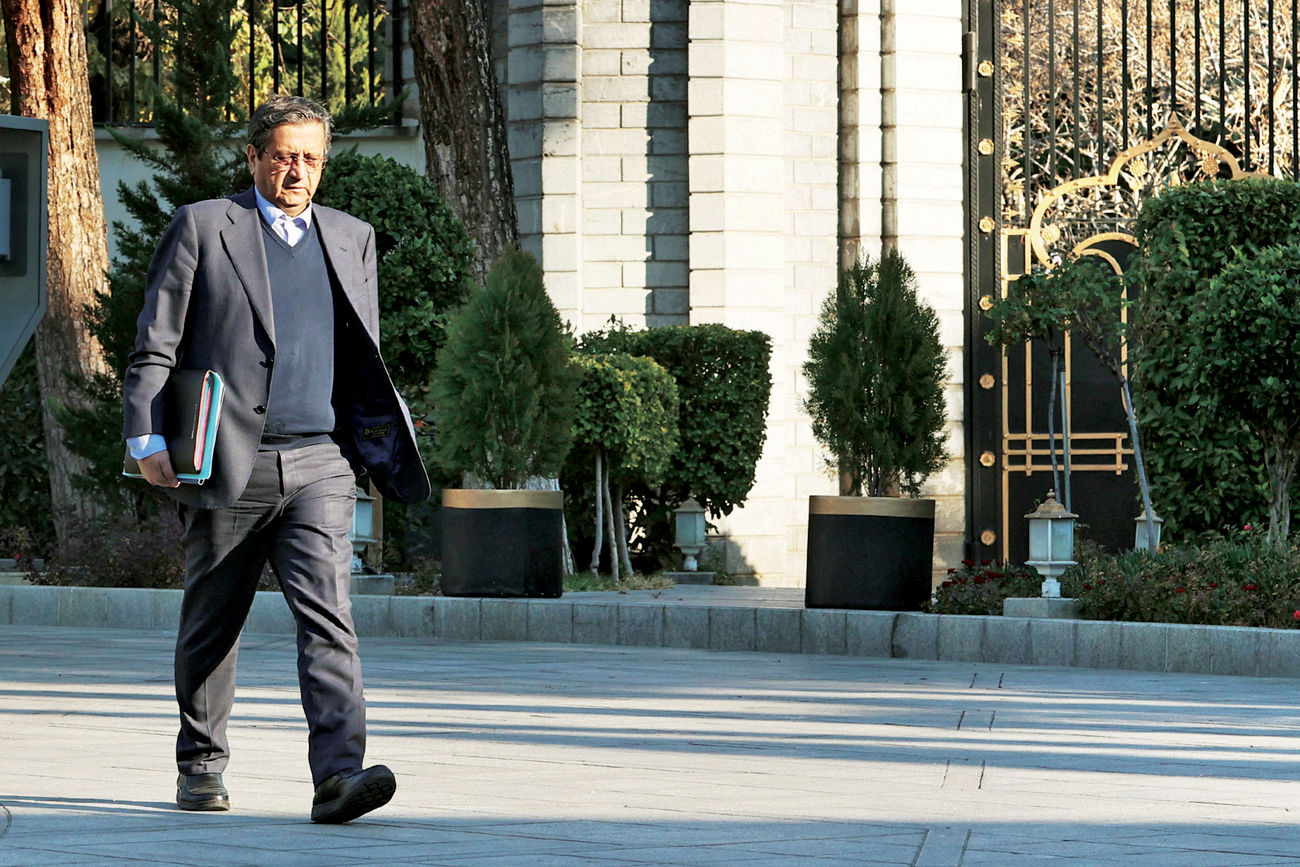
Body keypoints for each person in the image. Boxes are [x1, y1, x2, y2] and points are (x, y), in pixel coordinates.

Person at [122, 94, 430, 824]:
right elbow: (156, 340)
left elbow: (362, 350)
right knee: (213, 619)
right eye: (285, 157)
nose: (298, 172)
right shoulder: (204, 226)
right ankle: (201, 764)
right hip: (229, 457)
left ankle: (339, 776)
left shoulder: (352, 237)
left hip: (322, 460)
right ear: (254, 157)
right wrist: (146, 437)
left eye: (312, 159)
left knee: (329, 620)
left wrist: (372, 438)